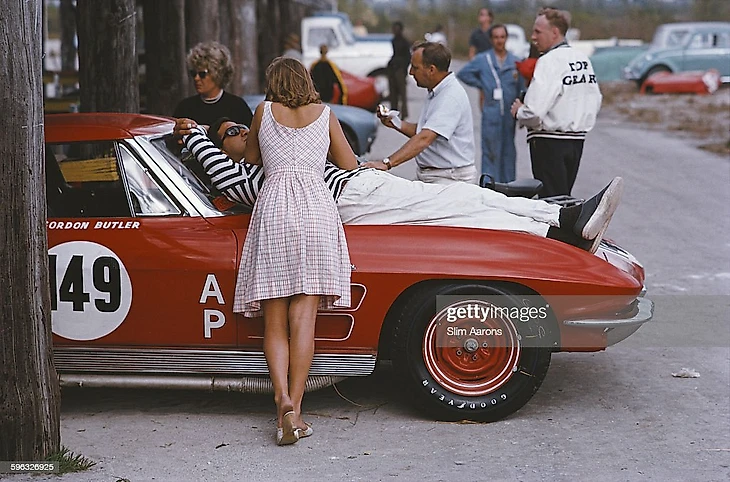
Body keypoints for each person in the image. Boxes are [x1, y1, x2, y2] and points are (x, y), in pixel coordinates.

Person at [174, 117, 624, 255]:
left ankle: (562, 218)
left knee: (463, 198)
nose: (243, 131)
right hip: (351, 197)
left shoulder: (269, 159)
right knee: (462, 211)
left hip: (357, 187)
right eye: (233, 131)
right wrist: (194, 135)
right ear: (225, 147)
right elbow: (221, 173)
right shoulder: (245, 175)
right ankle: (559, 227)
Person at [237, 57, 357, 445]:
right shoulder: (326, 115)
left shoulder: (263, 111)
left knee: (274, 321)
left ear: (273, 82)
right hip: (316, 211)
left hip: (274, 209)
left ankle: (281, 400)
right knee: (303, 318)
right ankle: (298, 412)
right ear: (307, 79)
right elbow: (349, 163)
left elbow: (250, 158)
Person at [510, 8, 602, 198]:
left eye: (537, 31)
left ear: (554, 32)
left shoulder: (548, 61)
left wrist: (519, 111)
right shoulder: (582, 59)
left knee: (550, 202)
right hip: (576, 140)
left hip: (549, 141)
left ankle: (558, 229)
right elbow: (595, 99)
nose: (533, 37)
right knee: (563, 197)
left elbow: (534, 112)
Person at [364, 41, 477, 185]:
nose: (410, 72)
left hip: (450, 179)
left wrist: (387, 163)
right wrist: (395, 123)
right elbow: (426, 131)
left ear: (431, 70)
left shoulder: (450, 97)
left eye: (415, 68)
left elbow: (425, 138)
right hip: (435, 175)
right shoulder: (437, 90)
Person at [458, 24, 525, 183]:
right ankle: (489, 187)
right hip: (491, 113)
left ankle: (509, 187)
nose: (499, 41)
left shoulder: (515, 61)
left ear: (506, 38)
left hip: (509, 114)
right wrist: (482, 84)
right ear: (491, 39)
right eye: (496, 37)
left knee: (508, 151)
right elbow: (463, 73)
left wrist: (522, 111)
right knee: (490, 151)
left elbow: (521, 87)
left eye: (502, 37)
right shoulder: (483, 59)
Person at [173, 41, 253, 127]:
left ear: (217, 74)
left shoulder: (237, 107)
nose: (196, 78)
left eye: (202, 74)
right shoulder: (185, 107)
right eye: (193, 73)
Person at [387, 21, 411, 119]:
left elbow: (407, 57)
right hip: (393, 68)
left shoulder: (404, 42)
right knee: (392, 93)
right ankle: (393, 113)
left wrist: (403, 69)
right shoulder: (394, 40)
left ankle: (404, 113)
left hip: (400, 69)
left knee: (402, 93)